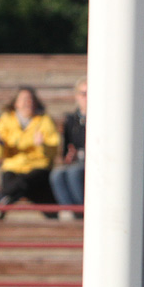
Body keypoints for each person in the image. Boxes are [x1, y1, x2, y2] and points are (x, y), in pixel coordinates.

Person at [0, 87, 59, 219]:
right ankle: (5, 199)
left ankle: (0, 197)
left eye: (30, 99)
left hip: (37, 166)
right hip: (13, 167)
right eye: (24, 99)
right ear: (16, 103)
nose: (27, 103)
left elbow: (53, 149)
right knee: (15, 181)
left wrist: (42, 146)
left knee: (26, 182)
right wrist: (0, 144)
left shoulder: (44, 120)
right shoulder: (6, 119)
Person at [49, 77, 87, 218]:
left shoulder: (102, 117)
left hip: (93, 162)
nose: (86, 98)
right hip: (77, 160)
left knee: (74, 173)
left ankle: (81, 212)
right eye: (83, 94)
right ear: (77, 96)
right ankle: (70, 210)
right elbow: (67, 147)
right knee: (57, 175)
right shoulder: (72, 120)